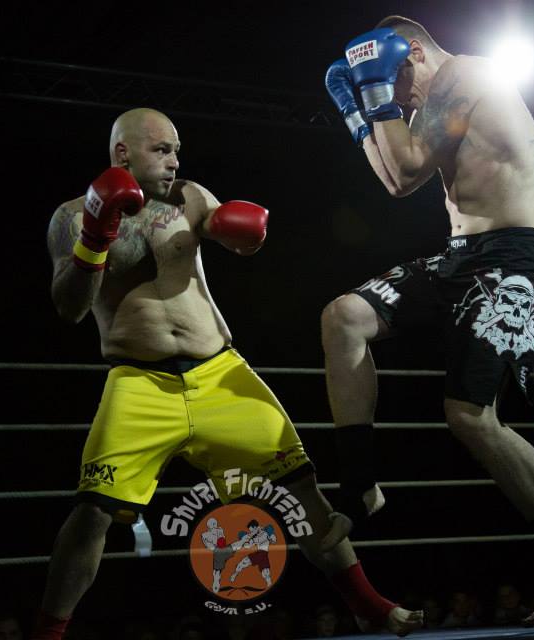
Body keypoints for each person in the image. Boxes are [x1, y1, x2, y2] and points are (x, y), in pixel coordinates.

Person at [30, 108, 423, 639]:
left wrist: (244, 237)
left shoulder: (190, 196)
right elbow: (69, 308)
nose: (174, 161)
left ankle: (370, 606)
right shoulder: (73, 217)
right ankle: (48, 634)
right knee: (92, 513)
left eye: (176, 150)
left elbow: (238, 237)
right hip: (139, 383)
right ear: (123, 153)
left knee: (301, 489)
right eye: (161, 150)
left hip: (220, 374)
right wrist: (96, 238)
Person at [321, 16, 534, 623]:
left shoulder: (467, 76)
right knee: (344, 316)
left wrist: (372, 95)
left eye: (397, 83)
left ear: (412, 53)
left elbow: (404, 172)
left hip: (512, 258)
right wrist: (359, 114)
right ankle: (359, 484)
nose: (401, 101)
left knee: (472, 417)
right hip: (459, 257)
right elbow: (394, 177)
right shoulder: (431, 98)